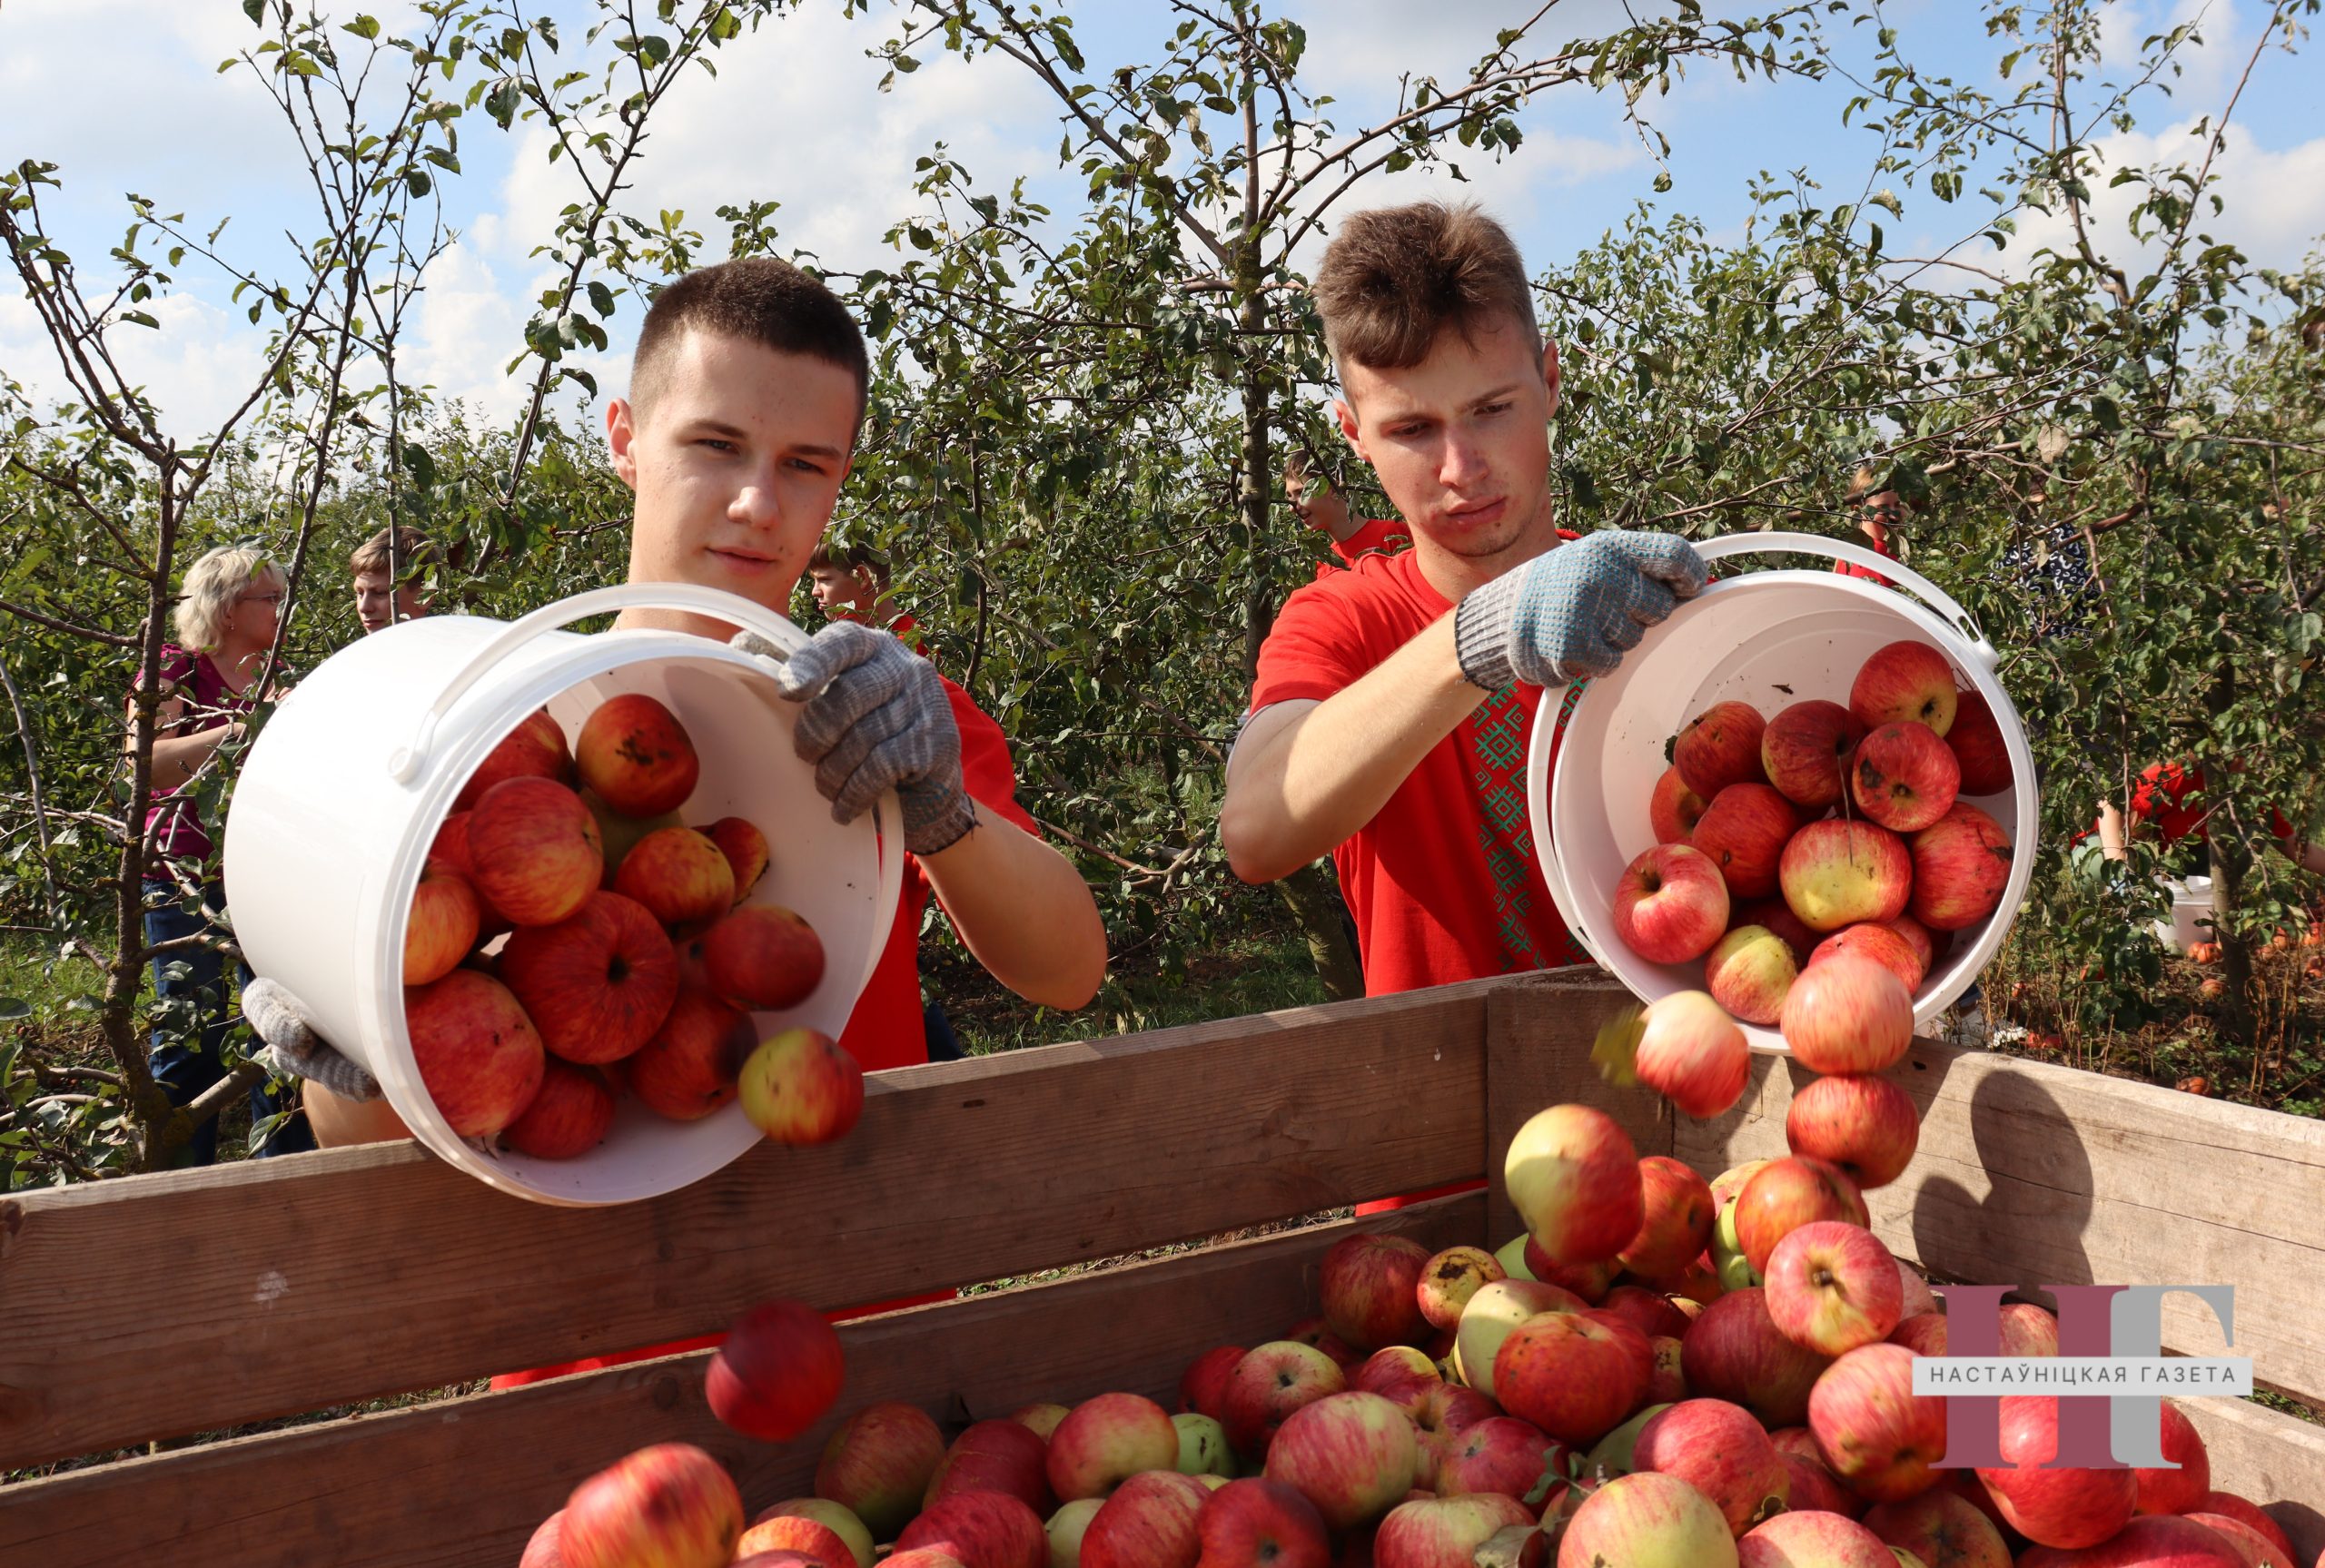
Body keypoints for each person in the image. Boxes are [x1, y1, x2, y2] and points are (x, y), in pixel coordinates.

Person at [254, 255, 1107, 1122]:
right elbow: (378, 1144)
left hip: (868, 1244)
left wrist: (940, 814)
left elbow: (1067, 973)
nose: (757, 503)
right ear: (624, 440)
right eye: (716, 445)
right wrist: (341, 1026)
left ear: (841, 477)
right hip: (606, 1244)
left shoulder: (881, 713)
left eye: (806, 464)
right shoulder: (500, 730)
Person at [1219, 201, 1706, 1002]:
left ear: (1549, 382)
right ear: (1353, 435)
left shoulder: (1642, 604)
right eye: (1412, 428)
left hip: (1682, 1086)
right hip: (1447, 1103)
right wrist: (1479, 639)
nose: (1460, 467)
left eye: (1492, 409)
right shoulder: (1346, 620)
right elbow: (1254, 831)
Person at [130, 546, 313, 1163]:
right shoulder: (175, 668)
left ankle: (283, 1174)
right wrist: (241, 730)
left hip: (260, 873)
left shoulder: (272, 671)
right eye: (270, 599)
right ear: (229, 606)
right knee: (192, 1037)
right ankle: (178, 1183)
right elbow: (145, 761)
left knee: (283, 1033)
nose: (281, 611)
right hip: (185, 876)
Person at [1285, 447, 1411, 571]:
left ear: (1332, 489)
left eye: (1301, 493)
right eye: (1289, 496)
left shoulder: (1393, 535)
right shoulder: (1325, 564)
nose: (1292, 507)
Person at [804, 538, 930, 656]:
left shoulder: (908, 643)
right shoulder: (849, 640)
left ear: (861, 577)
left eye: (825, 580)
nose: (815, 592)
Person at [350, 525, 440, 634]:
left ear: (425, 596)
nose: (364, 607)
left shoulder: (453, 648)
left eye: (380, 593)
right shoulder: (362, 650)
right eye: (360, 593)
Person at [1831, 468, 1906, 589]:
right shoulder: (1870, 556)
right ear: (1859, 511)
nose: (1894, 515)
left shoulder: (1853, 551)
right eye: (1883, 507)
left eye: (1897, 505)